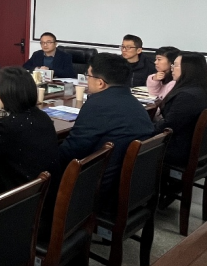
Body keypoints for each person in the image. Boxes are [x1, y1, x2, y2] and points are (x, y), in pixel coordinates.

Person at [57, 53, 153, 207]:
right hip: (135, 183)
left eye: (88, 75)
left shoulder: (98, 105)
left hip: (101, 188)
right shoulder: (134, 103)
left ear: (100, 83)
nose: (87, 80)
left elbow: (72, 150)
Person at [0, 67, 60, 193]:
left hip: (20, 199)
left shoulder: (6, 127)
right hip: (46, 193)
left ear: (6, 94)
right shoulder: (43, 117)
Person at [154, 52, 207, 166]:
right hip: (191, 145)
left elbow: (168, 127)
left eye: (176, 65)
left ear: (189, 69)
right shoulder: (200, 90)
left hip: (178, 149)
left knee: (133, 143)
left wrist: (147, 127)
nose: (172, 68)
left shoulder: (187, 96)